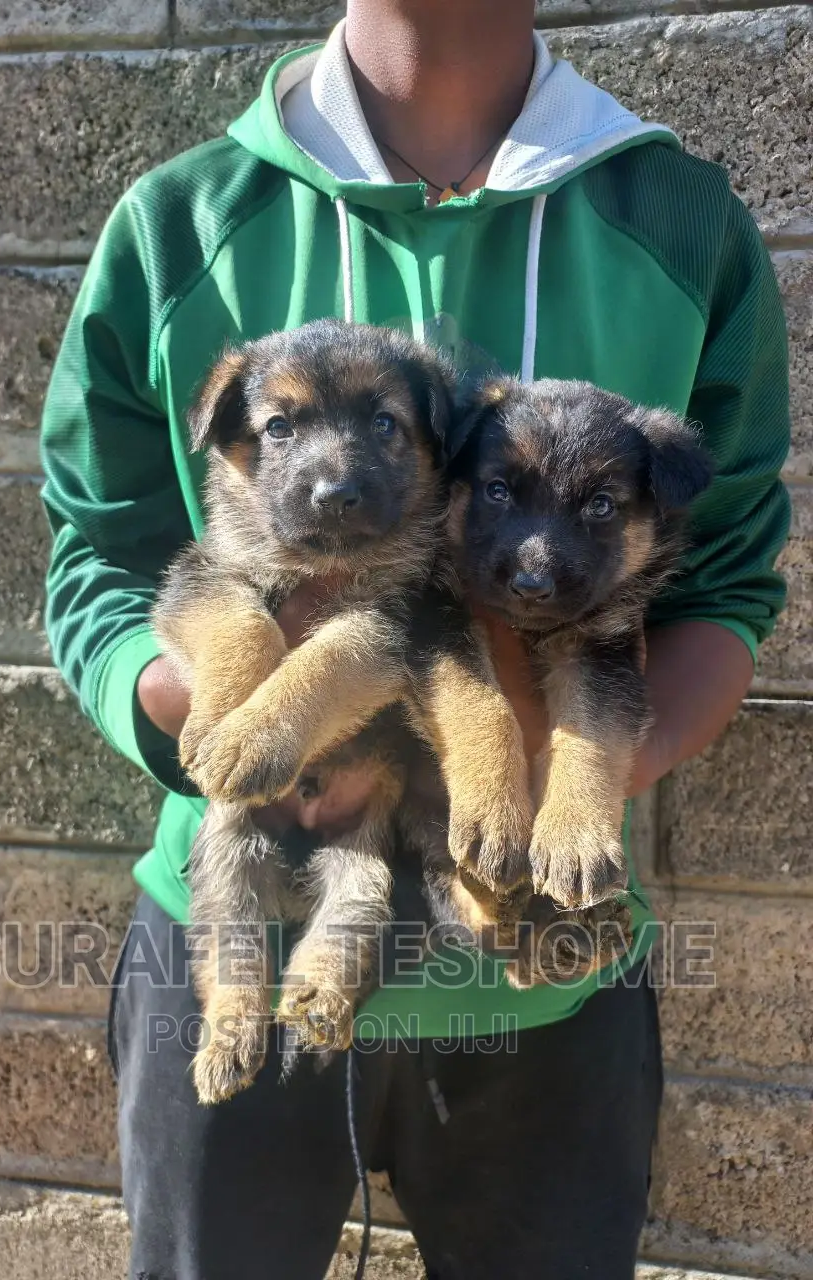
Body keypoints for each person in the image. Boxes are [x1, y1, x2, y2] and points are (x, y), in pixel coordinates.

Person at [39, 0, 791, 1274]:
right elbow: (100, 551)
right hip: (242, 927)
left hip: (547, 967)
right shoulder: (184, 219)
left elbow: (726, 580)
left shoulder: (675, 217)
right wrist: (205, 714)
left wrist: (578, 788)